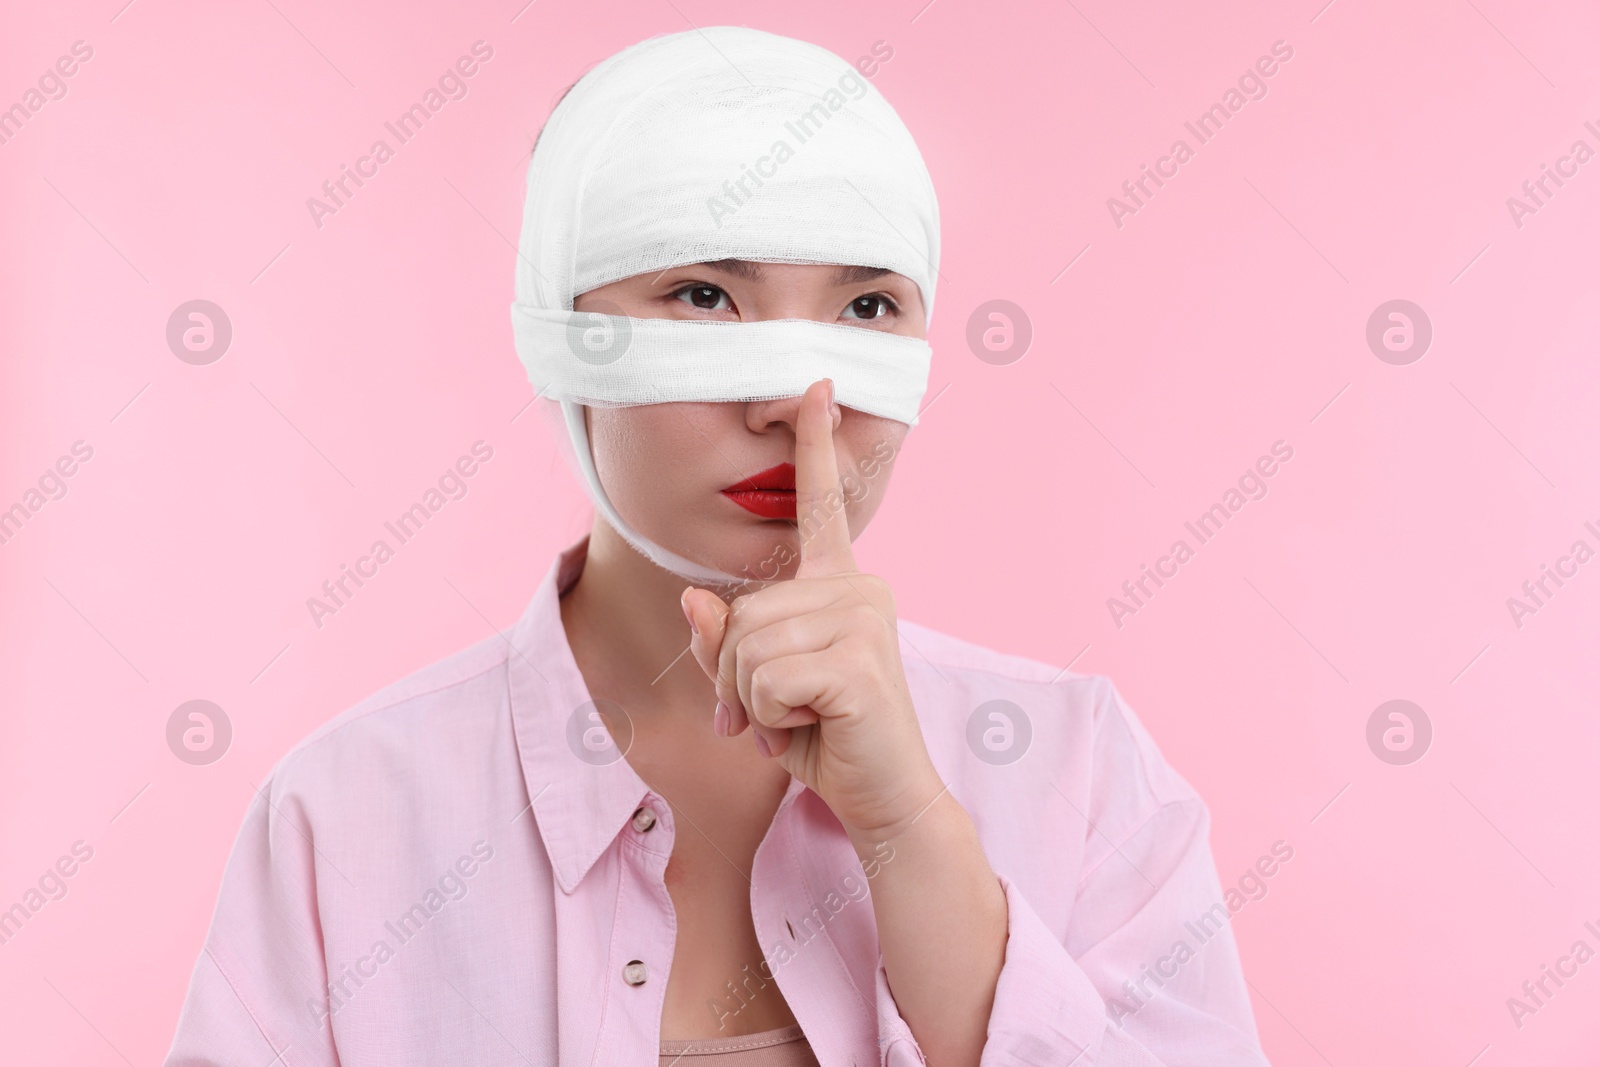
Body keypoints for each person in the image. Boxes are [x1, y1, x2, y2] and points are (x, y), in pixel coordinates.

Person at [164, 25, 1272, 1067]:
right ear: (562, 333)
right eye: (704, 295)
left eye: (869, 310)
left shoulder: (1081, 776)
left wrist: (911, 830)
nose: (798, 400)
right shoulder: (346, 817)